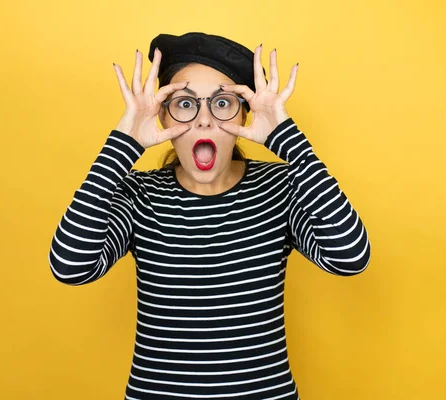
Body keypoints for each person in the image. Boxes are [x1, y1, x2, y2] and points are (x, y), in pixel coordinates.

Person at [48, 32, 371, 399]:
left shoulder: (280, 187)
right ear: (164, 117)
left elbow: (350, 258)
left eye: (221, 102)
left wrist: (288, 138)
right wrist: (124, 142)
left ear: (245, 114)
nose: (203, 120)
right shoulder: (140, 195)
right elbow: (70, 267)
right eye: (185, 104)